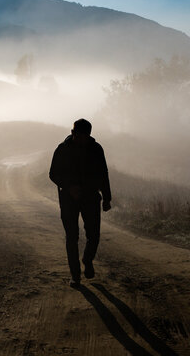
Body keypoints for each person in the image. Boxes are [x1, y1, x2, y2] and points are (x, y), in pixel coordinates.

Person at [49, 119, 112, 288]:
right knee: (72, 237)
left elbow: (103, 174)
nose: (82, 140)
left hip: (91, 198)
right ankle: (75, 276)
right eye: (79, 136)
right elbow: (53, 173)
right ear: (72, 133)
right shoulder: (62, 150)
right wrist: (69, 187)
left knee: (94, 235)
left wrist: (107, 198)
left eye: (85, 137)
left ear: (89, 135)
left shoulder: (96, 149)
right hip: (69, 200)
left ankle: (87, 259)